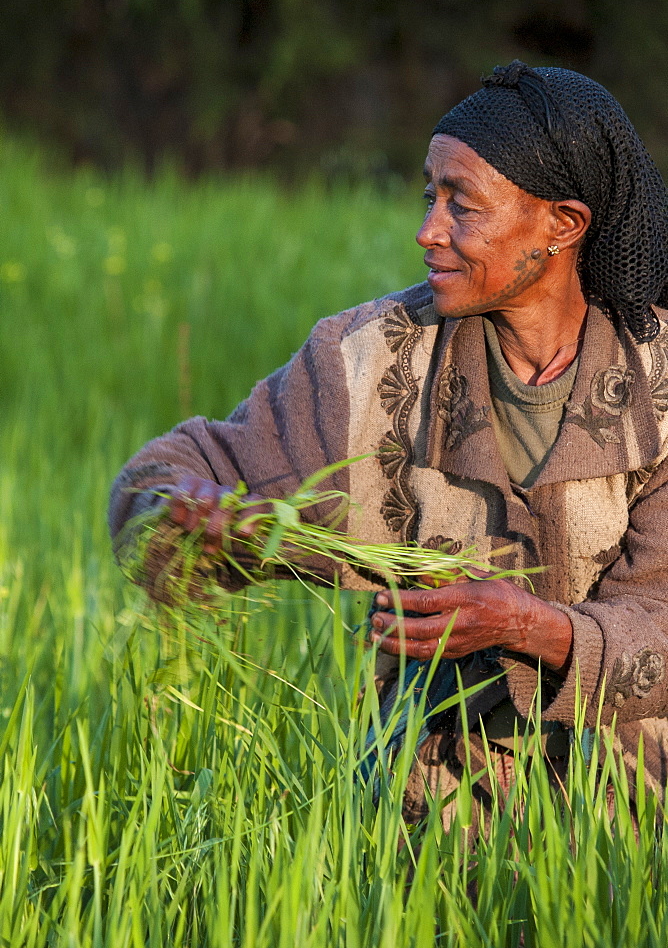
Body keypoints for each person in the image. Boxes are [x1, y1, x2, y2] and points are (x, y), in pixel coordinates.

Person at [109, 60, 668, 821]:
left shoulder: (658, 383)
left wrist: (528, 626)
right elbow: (173, 475)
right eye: (428, 196)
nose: (427, 231)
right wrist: (191, 515)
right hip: (424, 831)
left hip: (633, 829)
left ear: (562, 226)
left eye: (461, 206)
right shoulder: (367, 362)